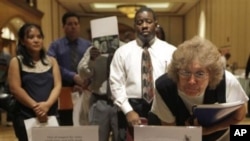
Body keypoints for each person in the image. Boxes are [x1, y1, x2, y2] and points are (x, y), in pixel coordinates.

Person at [150, 36, 249, 141]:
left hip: (220, 136)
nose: (191, 81)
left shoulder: (227, 80)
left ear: (211, 75)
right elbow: (171, 132)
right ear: (176, 72)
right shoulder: (165, 87)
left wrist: (210, 130)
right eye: (185, 72)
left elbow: (239, 115)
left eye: (200, 74)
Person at [109, 7, 176, 140]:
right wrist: (128, 110)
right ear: (135, 26)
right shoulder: (122, 52)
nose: (144, 26)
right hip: (130, 106)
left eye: (148, 21)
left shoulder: (171, 51)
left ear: (155, 23)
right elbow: (116, 83)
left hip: (161, 106)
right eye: (139, 22)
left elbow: (175, 83)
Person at [7, 23, 62, 141]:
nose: (36, 40)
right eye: (31, 37)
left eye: (39, 37)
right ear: (22, 41)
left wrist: (46, 105)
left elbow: (57, 86)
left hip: (50, 114)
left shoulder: (52, 61)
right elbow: (15, 89)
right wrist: (36, 108)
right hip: (26, 115)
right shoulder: (16, 61)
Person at [47, 12, 91, 125]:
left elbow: (92, 66)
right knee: (66, 125)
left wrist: (84, 81)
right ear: (64, 27)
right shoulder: (55, 46)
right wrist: (73, 76)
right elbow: (51, 64)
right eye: (70, 24)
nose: (73, 27)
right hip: (63, 91)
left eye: (76, 24)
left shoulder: (88, 45)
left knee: (84, 124)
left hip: (85, 90)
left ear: (79, 26)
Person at [77, 38, 122, 141]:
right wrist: (92, 60)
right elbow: (82, 74)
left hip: (120, 103)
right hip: (99, 101)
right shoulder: (93, 49)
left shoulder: (124, 48)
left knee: (121, 137)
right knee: (97, 138)